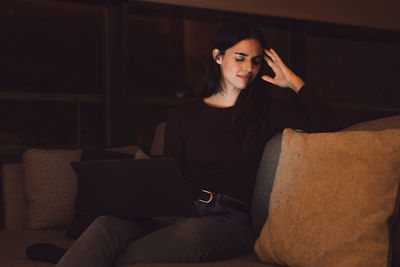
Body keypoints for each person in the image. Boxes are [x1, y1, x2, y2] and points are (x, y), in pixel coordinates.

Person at [50, 20, 342, 267]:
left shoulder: (267, 112)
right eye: (239, 57)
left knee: (180, 238)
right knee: (106, 225)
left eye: (255, 60)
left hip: (229, 221)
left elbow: (334, 128)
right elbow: (171, 176)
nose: (249, 68)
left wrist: (293, 82)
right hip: (179, 208)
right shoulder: (183, 115)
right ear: (218, 56)